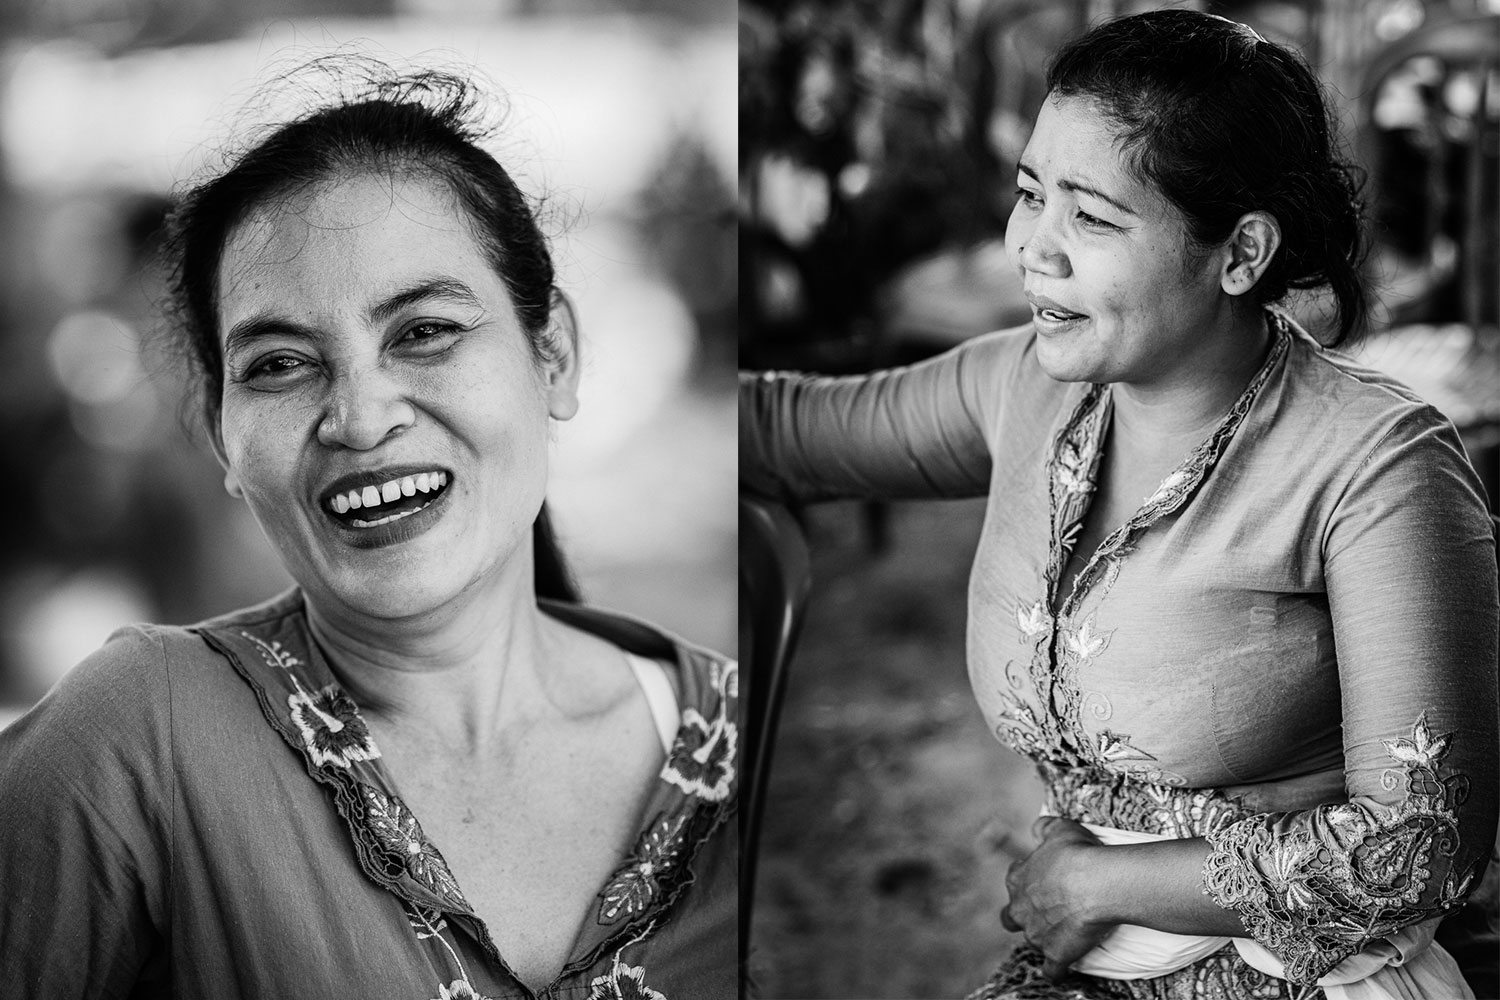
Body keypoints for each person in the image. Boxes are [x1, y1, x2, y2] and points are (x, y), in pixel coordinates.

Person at [740, 10, 1497, 1000]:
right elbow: (777, 428)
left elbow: (1422, 846)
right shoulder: (1027, 386)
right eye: (1028, 194)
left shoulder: (1378, 466)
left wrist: (1098, 880)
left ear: (1240, 252)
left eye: (1091, 217)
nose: (1030, 249)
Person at [0, 64, 736, 998]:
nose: (359, 415)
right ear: (222, 437)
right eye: (278, 363)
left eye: (424, 331)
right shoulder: (137, 744)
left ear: (552, 355)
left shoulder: (746, 747)